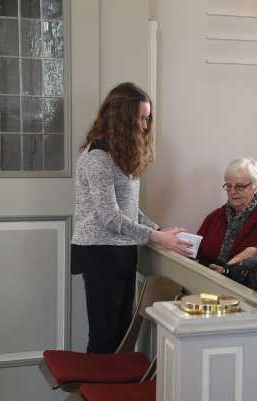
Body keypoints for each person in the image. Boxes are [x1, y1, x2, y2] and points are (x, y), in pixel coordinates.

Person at [71, 82, 192, 354]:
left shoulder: (119, 156)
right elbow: (110, 217)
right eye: (140, 118)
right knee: (104, 337)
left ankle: (109, 392)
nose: (145, 126)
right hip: (100, 253)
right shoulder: (97, 157)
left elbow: (127, 209)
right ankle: (97, 394)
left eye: (148, 118)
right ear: (121, 118)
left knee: (121, 334)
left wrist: (158, 229)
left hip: (121, 251)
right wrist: (156, 236)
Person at [197, 158, 257, 267]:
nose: (232, 192)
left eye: (239, 186)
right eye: (229, 186)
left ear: (255, 186)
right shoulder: (214, 217)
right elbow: (197, 252)